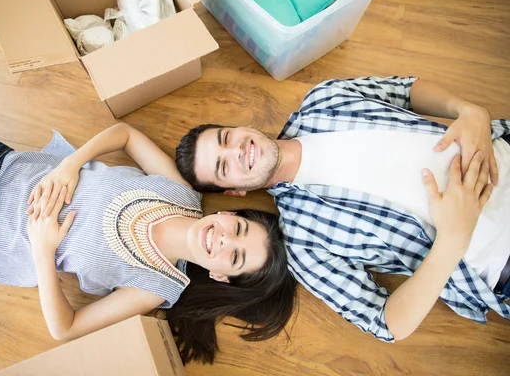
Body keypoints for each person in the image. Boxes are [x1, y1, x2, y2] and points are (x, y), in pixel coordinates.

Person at [0, 124, 297, 364]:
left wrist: (43, 251)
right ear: (230, 215)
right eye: (240, 230)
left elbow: (66, 328)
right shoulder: (182, 193)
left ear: (220, 275)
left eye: (236, 257)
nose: (225, 240)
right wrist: (70, 164)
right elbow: (125, 133)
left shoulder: (156, 288)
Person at [175, 76, 510, 342]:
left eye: (225, 137)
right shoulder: (303, 244)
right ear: (237, 191)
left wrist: (469, 111)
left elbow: (407, 89)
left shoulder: (324, 97)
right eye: (222, 167)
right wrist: (452, 240)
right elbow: (386, 324)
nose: (235, 151)